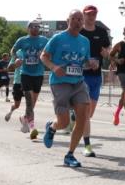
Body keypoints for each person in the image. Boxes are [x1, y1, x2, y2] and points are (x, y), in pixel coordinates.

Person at [40, 9, 93, 167]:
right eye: (74, 18)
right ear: (68, 20)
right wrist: (54, 67)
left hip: (78, 83)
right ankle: (52, 127)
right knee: (63, 123)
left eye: (80, 19)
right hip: (60, 82)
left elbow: (84, 61)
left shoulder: (85, 41)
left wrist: (90, 63)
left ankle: (70, 155)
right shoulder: (58, 38)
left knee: (82, 119)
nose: (78, 21)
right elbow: (43, 56)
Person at [78, 5, 112, 156]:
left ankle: (75, 117)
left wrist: (107, 53)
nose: (91, 17)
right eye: (89, 14)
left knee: (89, 114)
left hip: (96, 77)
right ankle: (87, 145)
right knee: (85, 113)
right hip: (81, 76)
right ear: (84, 15)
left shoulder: (101, 32)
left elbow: (108, 50)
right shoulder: (79, 31)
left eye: (94, 14)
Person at [11, 20, 49, 138]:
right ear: (28, 28)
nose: (36, 28)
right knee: (29, 102)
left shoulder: (44, 40)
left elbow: (51, 51)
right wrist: (16, 59)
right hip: (25, 74)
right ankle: (32, 127)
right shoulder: (22, 40)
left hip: (38, 74)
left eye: (38, 26)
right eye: (33, 26)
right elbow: (12, 50)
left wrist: (45, 56)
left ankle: (24, 118)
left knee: (33, 103)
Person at [5, 49, 26, 128]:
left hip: (29, 81)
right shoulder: (18, 53)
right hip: (18, 82)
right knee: (17, 105)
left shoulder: (33, 51)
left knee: (30, 104)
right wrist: (15, 64)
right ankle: (10, 111)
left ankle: (26, 121)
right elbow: (9, 68)